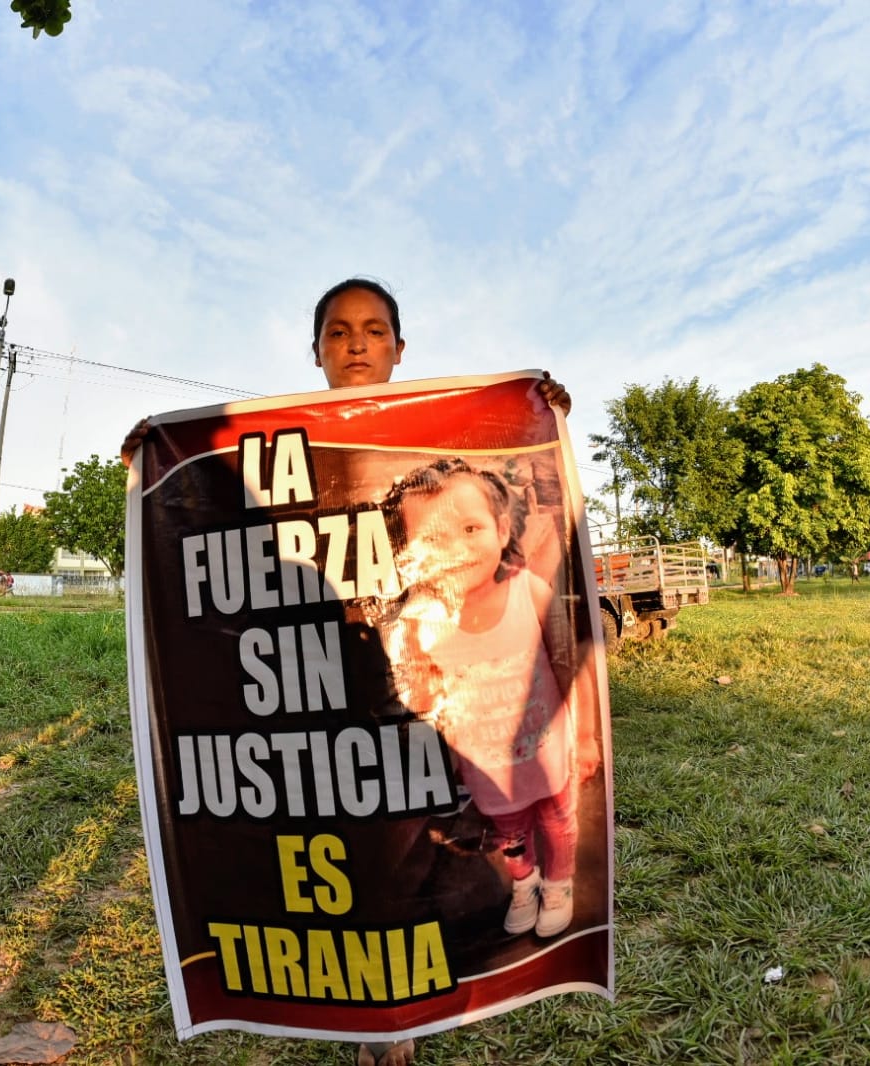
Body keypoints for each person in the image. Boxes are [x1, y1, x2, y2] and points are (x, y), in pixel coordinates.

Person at [124, 278, 571, 1066]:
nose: (356, 343)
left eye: (372, 329)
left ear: (400, 348)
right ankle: (371, 1026)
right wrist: (158, 464)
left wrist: (538, 417)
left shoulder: (437, 446)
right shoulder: (274, 452)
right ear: (318, 351)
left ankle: (404, 1022)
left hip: (428, 702)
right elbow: (217, 534)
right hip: (327, 696)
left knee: (429, 852)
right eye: (337, 331)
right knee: (354, 856)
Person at [382, 458, 580, 939]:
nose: (458, 549)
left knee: (557, 820)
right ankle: (525, 882)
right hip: (486, 764)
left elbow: (568, 664)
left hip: (546, 751)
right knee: (510, 833)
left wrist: (587, 734)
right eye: (433, 538)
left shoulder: (527, 592)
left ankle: (559, 884)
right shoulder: (422, 619)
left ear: (502, 526)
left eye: (471, 528)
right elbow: (423, 693)